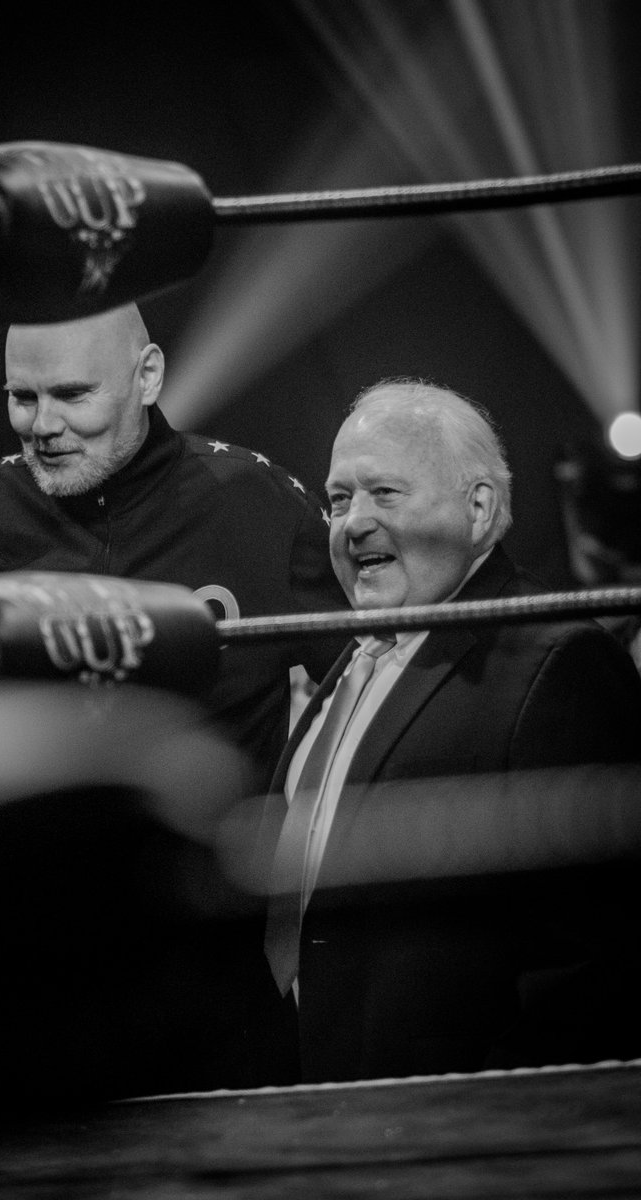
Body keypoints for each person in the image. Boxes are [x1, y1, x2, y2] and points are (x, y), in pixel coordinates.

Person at [263, 378, 641, 1083]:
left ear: (477, 508)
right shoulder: (359, 652)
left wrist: (492, 1134)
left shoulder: (556, 659)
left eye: (385, 494)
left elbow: (595, 968)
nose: (351, 523)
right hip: (324, 1108)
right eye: (339, 499)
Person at [0, 302, 345, 789]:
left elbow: (369, 689)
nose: (43, 426)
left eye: (73, 394)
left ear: (148, 376)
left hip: (211, 861)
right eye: (23, 397)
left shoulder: (261, 505)